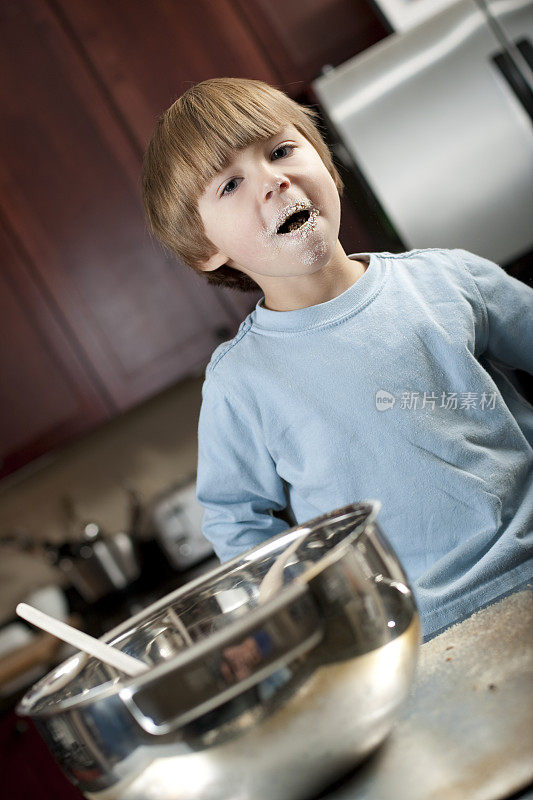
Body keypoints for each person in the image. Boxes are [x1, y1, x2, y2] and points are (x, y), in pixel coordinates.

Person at [141, 77, 533, 639]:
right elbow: (236, 521)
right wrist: (298, 607)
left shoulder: (448, 278)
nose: (274, 180)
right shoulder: (241, 383)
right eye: (230, 184)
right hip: (417, 638)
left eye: (281, 151)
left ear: (324, 162)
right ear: (207, 247)